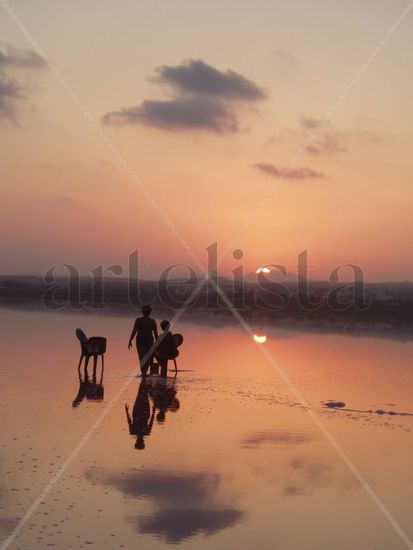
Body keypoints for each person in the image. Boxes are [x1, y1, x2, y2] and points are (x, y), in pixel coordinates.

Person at [128, 305, 158, 377]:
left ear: (143, 312)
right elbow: (156, 334)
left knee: (142, 358)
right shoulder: (152, 321)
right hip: (147, 342)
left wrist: (130, 340)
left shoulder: (139, 320)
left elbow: (134, 331)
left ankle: (143, 374)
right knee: (147, 359)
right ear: (149, 312)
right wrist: (157, 344)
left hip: (142, 342)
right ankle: (144, 374)